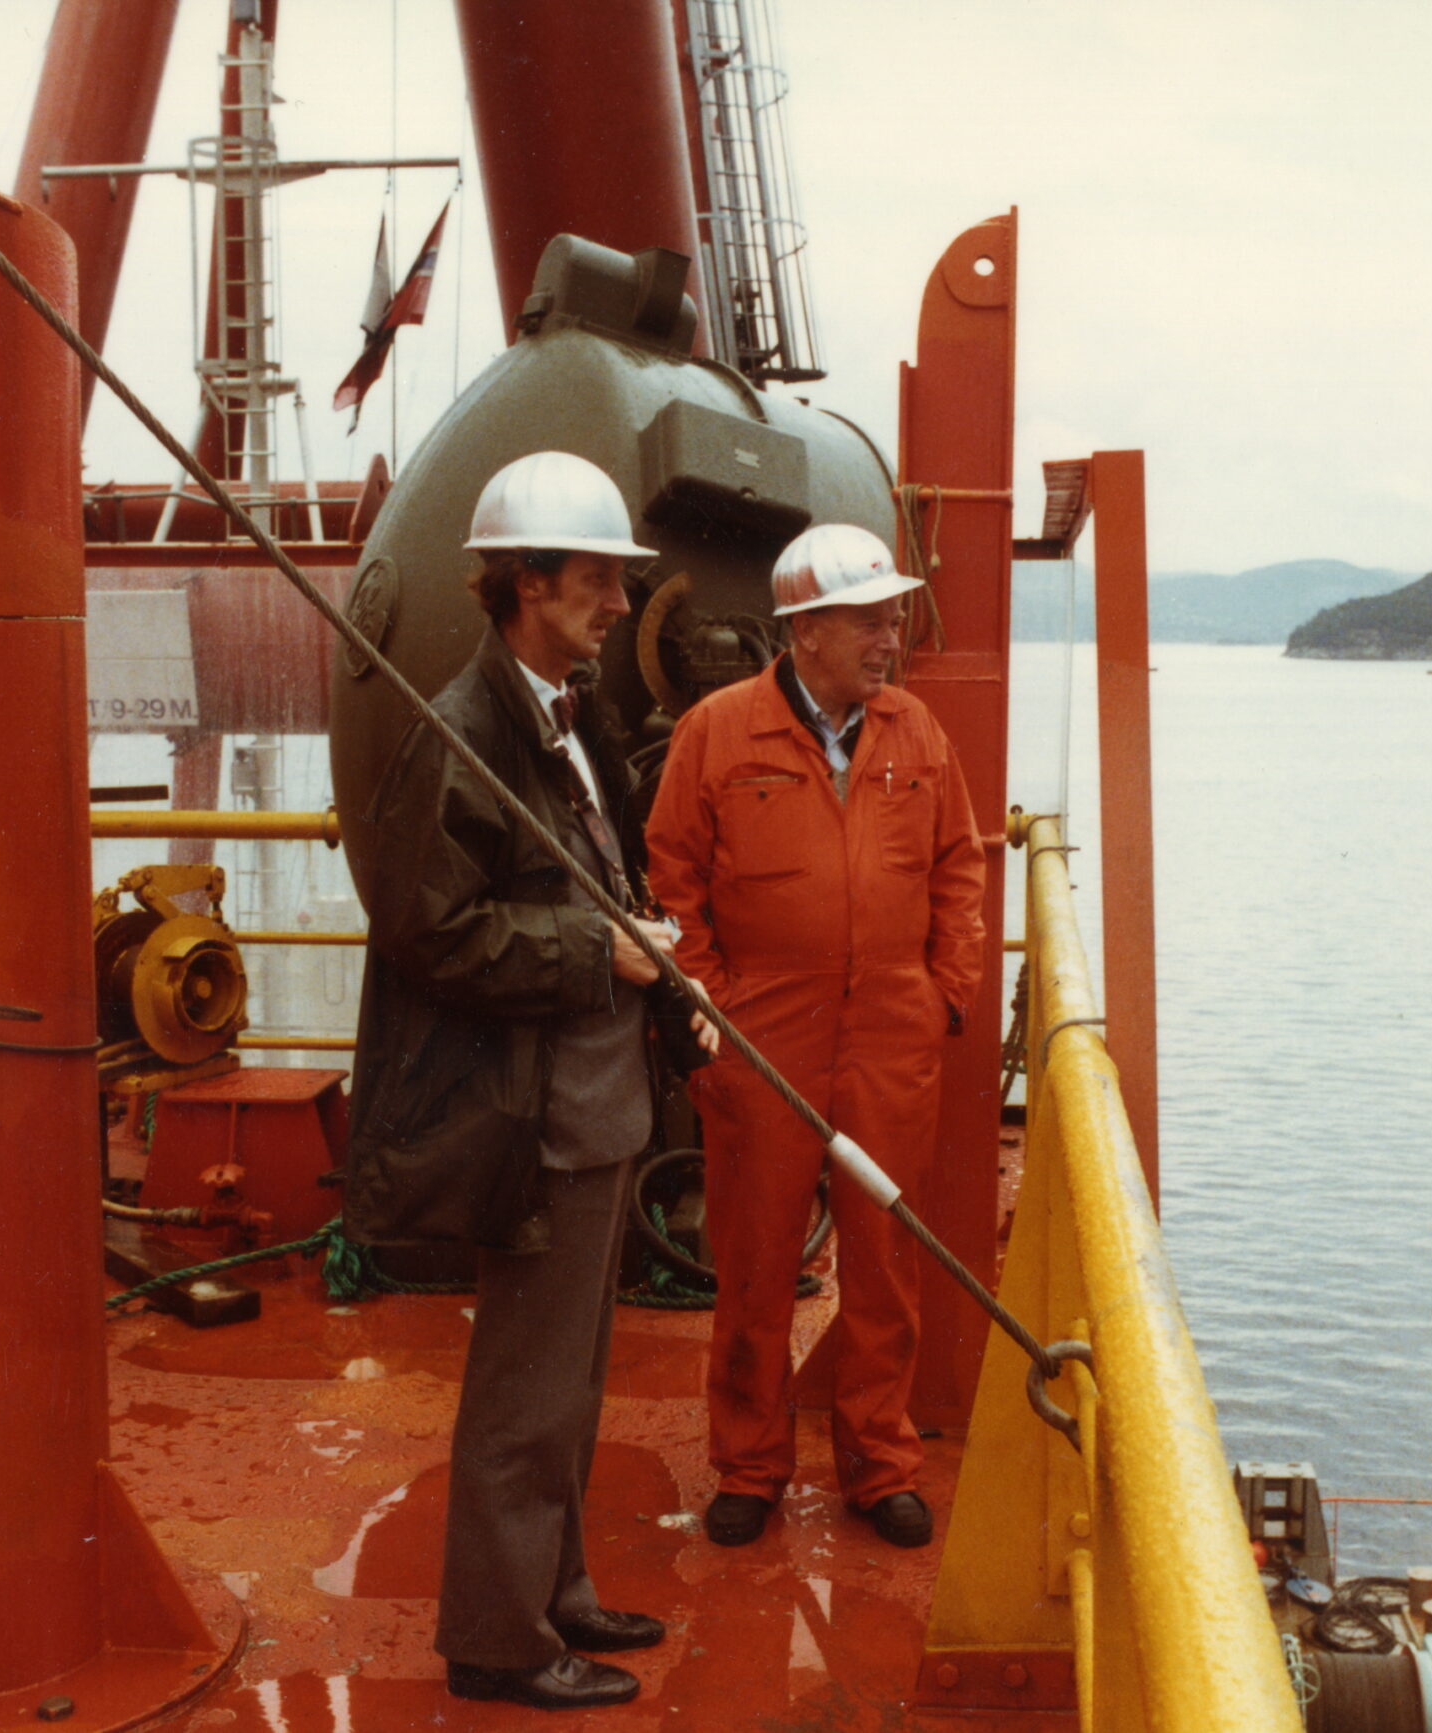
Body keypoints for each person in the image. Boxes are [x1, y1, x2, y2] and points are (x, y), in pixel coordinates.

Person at [342, 449, 715, 1711]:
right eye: (598, 579)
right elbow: (427, 931)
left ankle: (557, 1587)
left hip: (591, 1106)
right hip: (537, 1120)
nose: (621, 603)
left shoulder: (557, 709)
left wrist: (643, 956)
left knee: (571, 1383)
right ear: (525, 582)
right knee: (526, 1390)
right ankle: (499, 1637)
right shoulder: (462, 731)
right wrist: (598, 950)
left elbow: (578, 881)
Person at [642, 521, 986, 1551]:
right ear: (806, 632)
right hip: (762, 1036)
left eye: (892, 615)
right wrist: (713, 1007)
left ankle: (880, 1464)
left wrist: (944, 993)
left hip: (890, 1031)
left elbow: (959, 868)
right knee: (754, 1262)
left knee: (884, 1260)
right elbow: (673, 876)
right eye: (870, 619)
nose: (890, 636)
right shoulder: (717, 731)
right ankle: (749, 1465)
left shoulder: (916, 732)